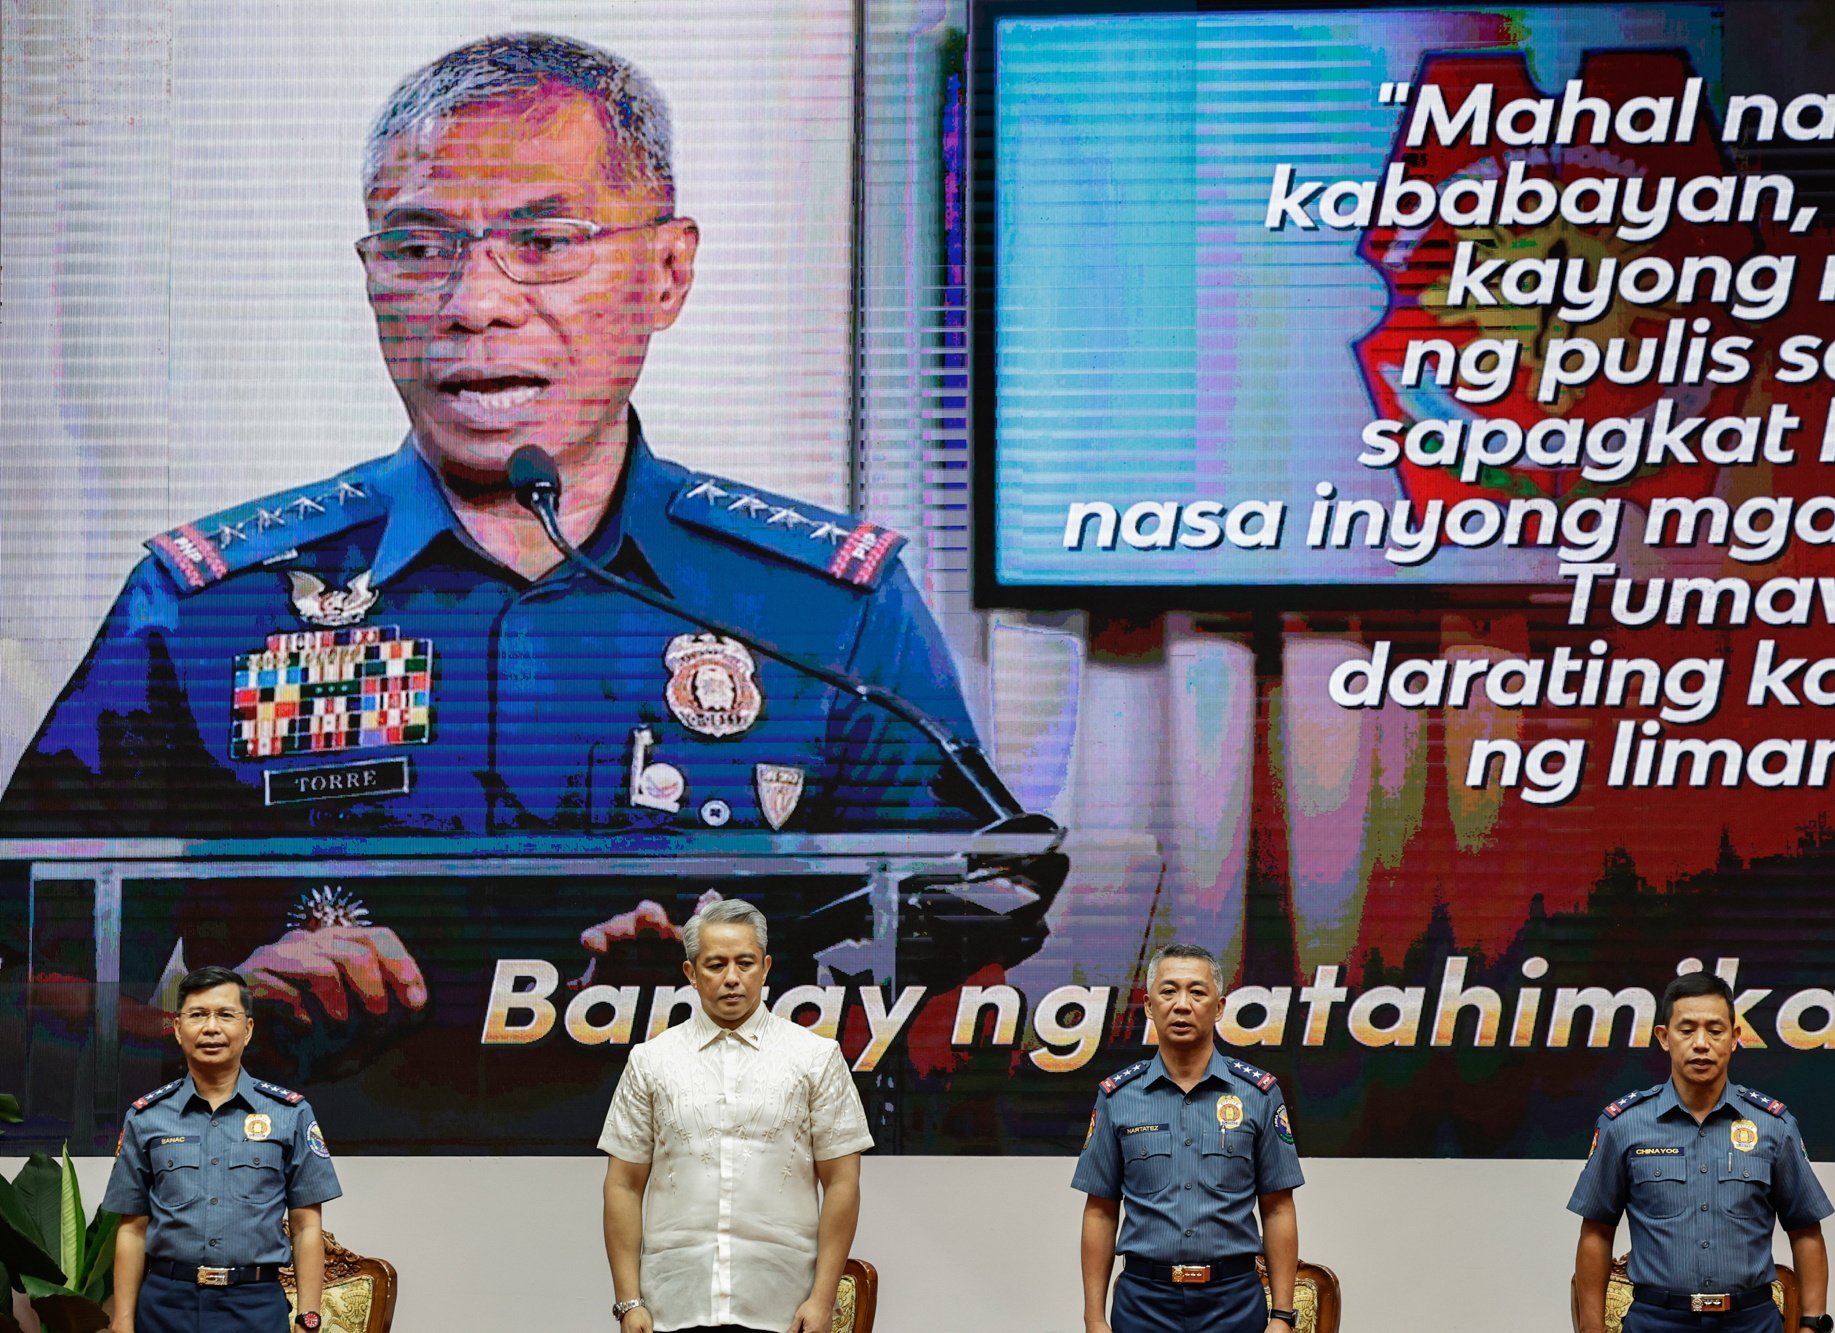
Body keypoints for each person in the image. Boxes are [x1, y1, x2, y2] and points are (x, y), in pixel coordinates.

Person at [0, 31, 1059, 1057]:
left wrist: (737, 1013)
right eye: (418, 249)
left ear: (666, 272)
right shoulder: (212, 603)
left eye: (544, 245)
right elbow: (21, 981)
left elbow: (957, 996)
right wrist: (219, 1021)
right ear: (371, 276)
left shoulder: (823, 610)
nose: (475, 306)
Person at [598, 898, 871, 1333]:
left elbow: (842, 1181)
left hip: (783, 1306)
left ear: (765, 968)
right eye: (715, 965)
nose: (731, 978)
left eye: (744, 963)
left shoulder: (816, 1058)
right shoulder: (652, 1061)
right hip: (672, 1306)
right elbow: (623, 1185)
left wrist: (823, 1300)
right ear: (690, 973)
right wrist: (629, 1302)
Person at [1569, 970, 1835, 1333]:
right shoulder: (1624, 1125)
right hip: (1657, 1322)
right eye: (1686, 1029)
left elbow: (1805, 1231)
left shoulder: (1774, 1125)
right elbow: (1596, 1232)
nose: (1701, 1043)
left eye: (1715, 1030)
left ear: (1735, 1038)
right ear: (1664, 1037)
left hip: (1751, 1322)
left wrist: (1812, 1325)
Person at [1072, 943, 1304, 1333]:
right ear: (1148, 1006)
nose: (1182, 1004)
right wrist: (1094, 1317)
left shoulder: (1258, 1094)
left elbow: (1278, 1207)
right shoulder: (1118, 1096)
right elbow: (1100, 1209)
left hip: (1233, 1302)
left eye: (1197, 992)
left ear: (1219, 1007)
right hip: (1144, 1304)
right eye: (1168, 991)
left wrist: (1281, 1316)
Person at [102, 965, 342, 1333]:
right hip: (166, 1305)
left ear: (247, 1030)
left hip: (254, 1306)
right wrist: (122, 1320)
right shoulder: (146, 1117)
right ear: (178, 1028)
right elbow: (132, 1229)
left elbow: (306, 1228)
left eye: (225, 1015)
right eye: (197, 1015)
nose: (211, 1027)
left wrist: (308, 1318)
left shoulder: (289, 1113)